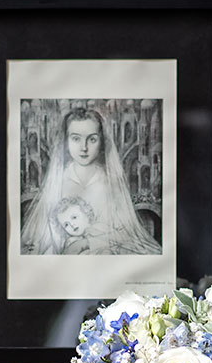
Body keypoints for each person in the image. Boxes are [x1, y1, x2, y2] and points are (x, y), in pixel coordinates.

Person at [21, 106, 162, 256]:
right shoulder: (58, 181)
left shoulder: (110, 181)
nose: (84, 148)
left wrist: (86, 243)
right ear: (66, 142)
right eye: (76, 139)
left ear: (102, 142)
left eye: (92, 139)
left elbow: (125, 231)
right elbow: (44, 234)